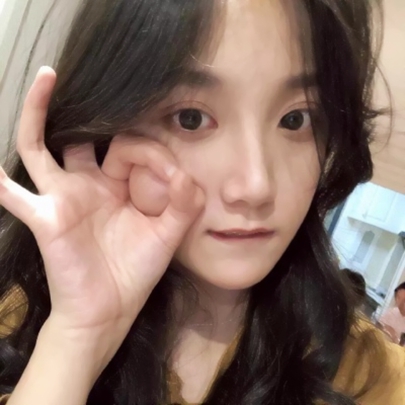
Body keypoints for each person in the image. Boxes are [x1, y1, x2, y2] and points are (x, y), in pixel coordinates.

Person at [0, 1, 404, 404]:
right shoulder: (21, 319)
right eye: (190, 118)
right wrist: (77, 339)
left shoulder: (375, 378)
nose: (256, 186)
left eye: (296, 119)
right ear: (105, 126)